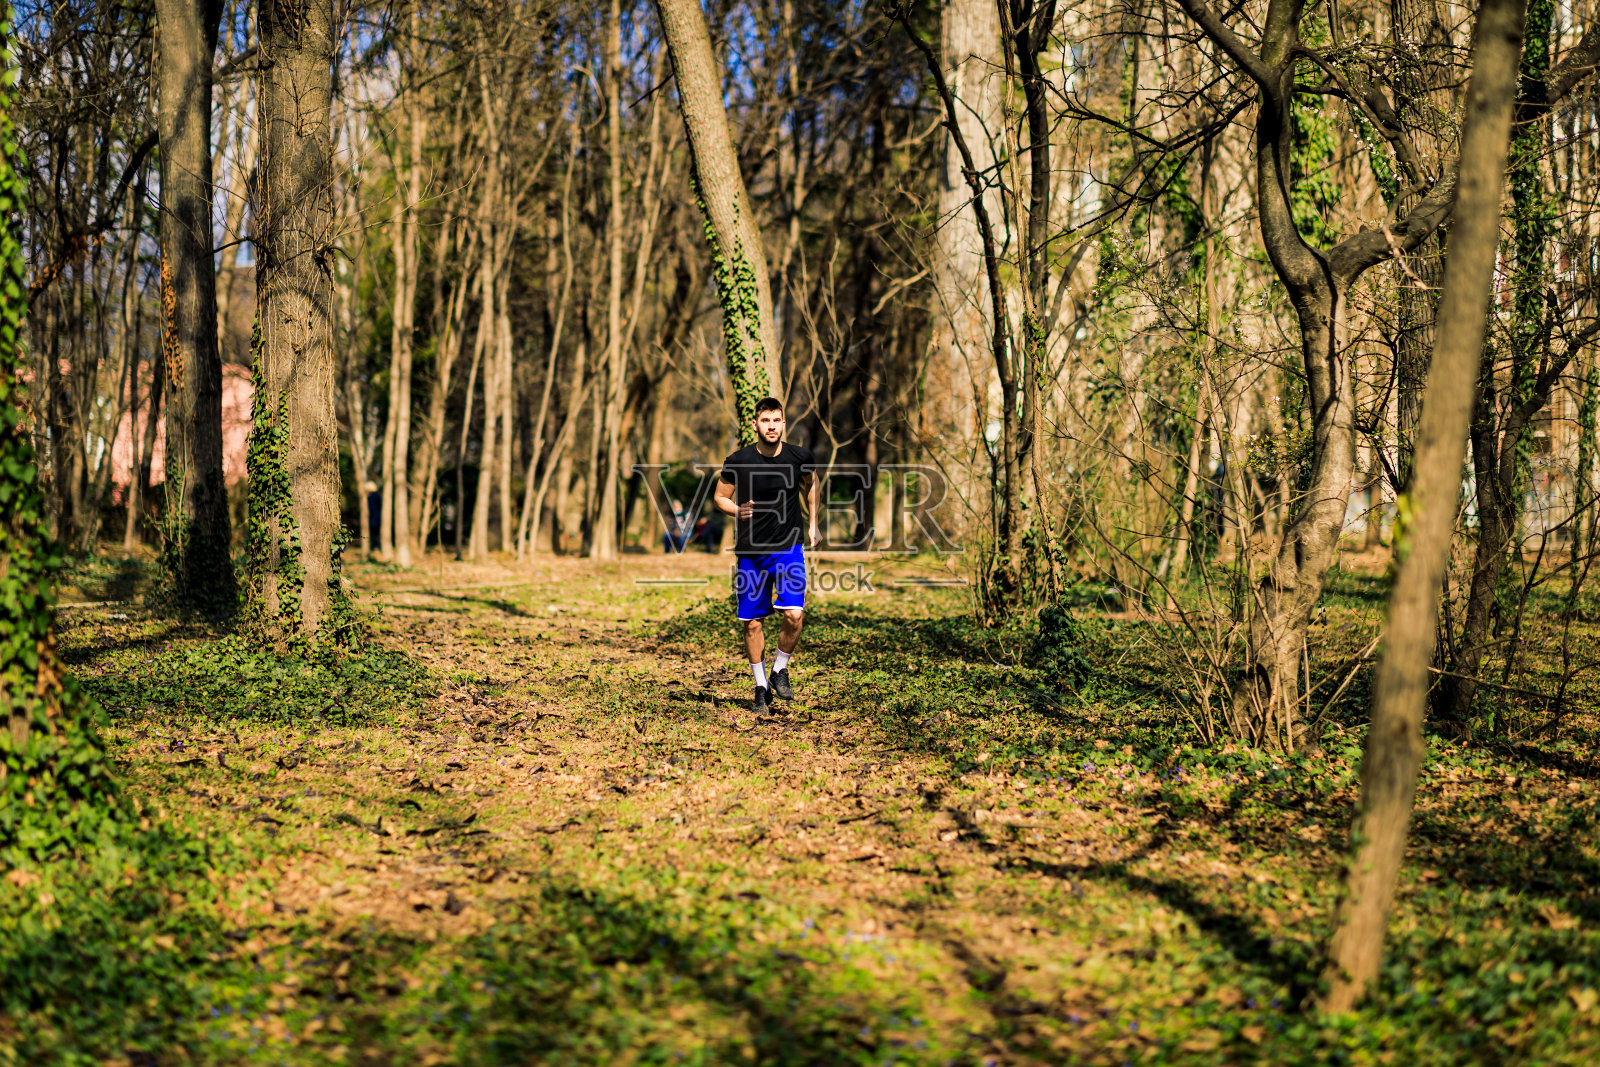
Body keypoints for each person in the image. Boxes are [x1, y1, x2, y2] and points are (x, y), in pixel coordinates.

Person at [714, 397, 819, 715]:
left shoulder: (799, 457)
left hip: (789, 547)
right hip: (751, 553)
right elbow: (720, 496)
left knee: (794, 616)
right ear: (755, 424)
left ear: (784, 423)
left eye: (777, 420)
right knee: (751, 623)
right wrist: (737, 508)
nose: (771, 426)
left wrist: (813, 524)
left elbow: (811, 486)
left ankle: (779, 670)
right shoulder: (738, 460)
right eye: (766, 421)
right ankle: (761, 687)